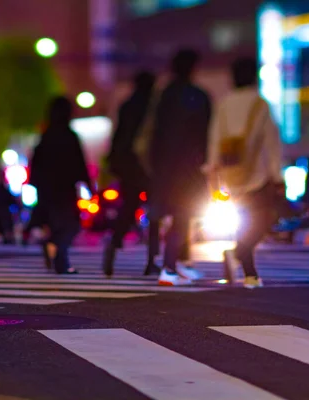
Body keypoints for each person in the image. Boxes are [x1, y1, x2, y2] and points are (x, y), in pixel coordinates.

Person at [203, 57, 283, 289]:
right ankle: (242, 256)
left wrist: (212, 167)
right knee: (264, 221)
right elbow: (272, 142)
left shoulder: (224, 104)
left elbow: (214, 137)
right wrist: (277, 176)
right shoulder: (260, 104)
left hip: (231, 173)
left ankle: (248, 269)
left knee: (248, 222)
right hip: (257, 174)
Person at [150, 49, 211, 286]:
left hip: (166, 167)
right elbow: (205, 134)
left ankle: (177, 264)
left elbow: (156, 133)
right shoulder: (197, 96)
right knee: (183, 216)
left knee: (176, 216)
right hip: (189, 168)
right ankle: (169, 267)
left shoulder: (165, 95)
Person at [29, 96, 91, 274]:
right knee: (71, 226)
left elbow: (36, 164)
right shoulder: (69, 136)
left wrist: (36, 185)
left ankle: (57, 255)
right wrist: (88, 185)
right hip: (65, 189)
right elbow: (79, 163)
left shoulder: (45, 136)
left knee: (57, 224)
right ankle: (58, 256)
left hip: (47, 190)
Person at [102, 71, 156, 276]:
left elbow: (119, 135)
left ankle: (114, 244)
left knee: (128, 207)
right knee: (155, 211)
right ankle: (152, 259)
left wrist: (113, 161)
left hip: (127, 165)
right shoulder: (152, 108)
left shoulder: (127, 105)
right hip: (148, 165)